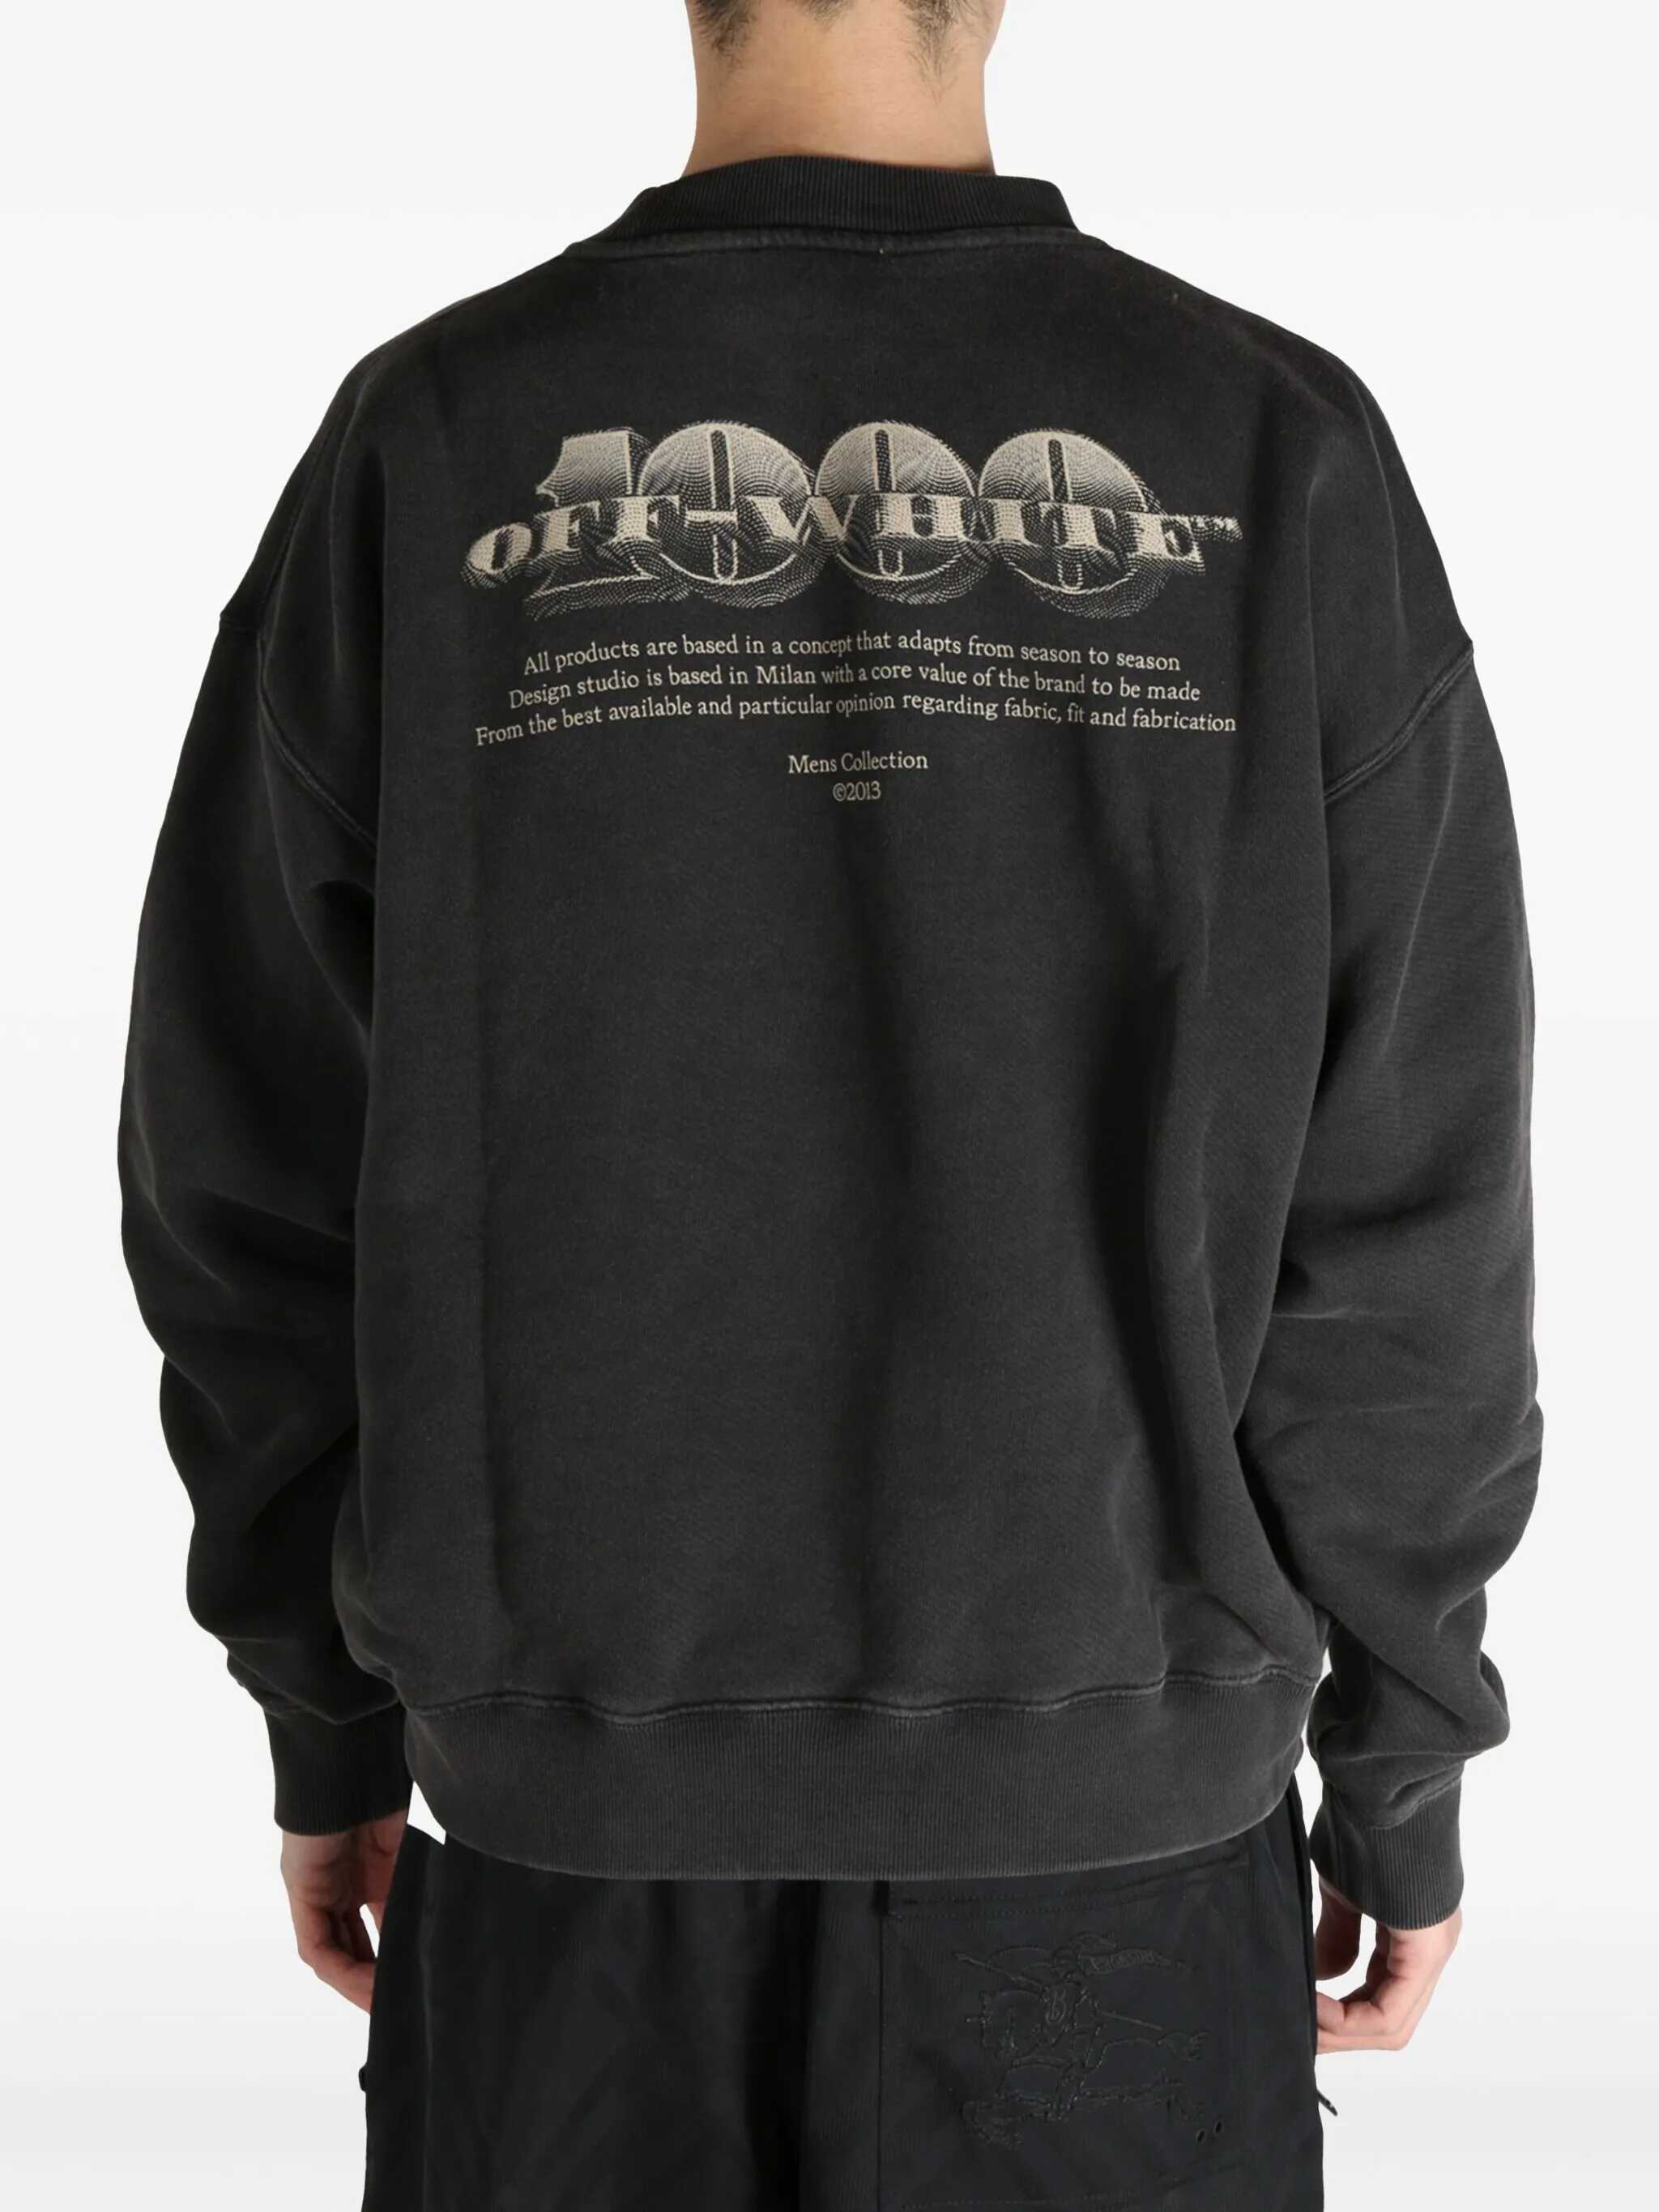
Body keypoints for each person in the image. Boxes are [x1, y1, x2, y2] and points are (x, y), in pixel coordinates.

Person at [117, 1, 1542, 2203]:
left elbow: (246, 1172)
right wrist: (1406, 1760)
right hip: (1115, 1876)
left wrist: (326, 1710)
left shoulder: (440, 437)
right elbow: (1411, 1211)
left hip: (566, 1870)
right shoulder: (1273, 447)